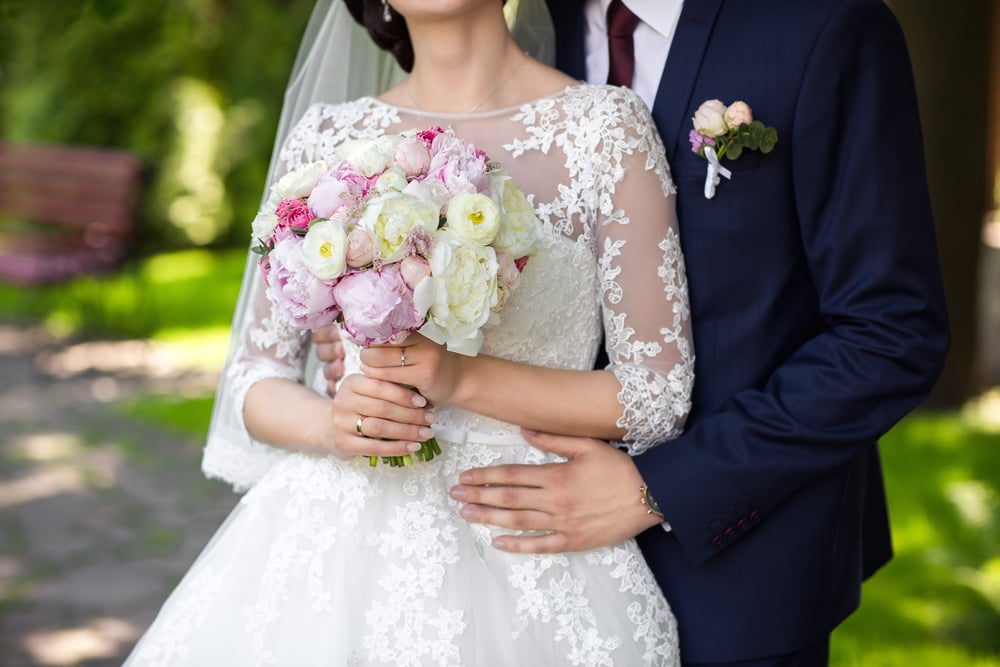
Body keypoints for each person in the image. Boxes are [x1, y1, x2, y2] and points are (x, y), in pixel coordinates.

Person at [320, 0, 952, 665]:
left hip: (741, 568)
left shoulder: (821, 26)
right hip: (516, 574)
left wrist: (663, 488)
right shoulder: (525, 21)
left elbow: (890, 332)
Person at [123, 0, 694, 664]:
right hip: (333, 551)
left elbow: (658, 395)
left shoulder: (606, 130)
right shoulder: (328, 138)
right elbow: (255, 378)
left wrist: (459, 378)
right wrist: (332, 425)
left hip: (529, 537)